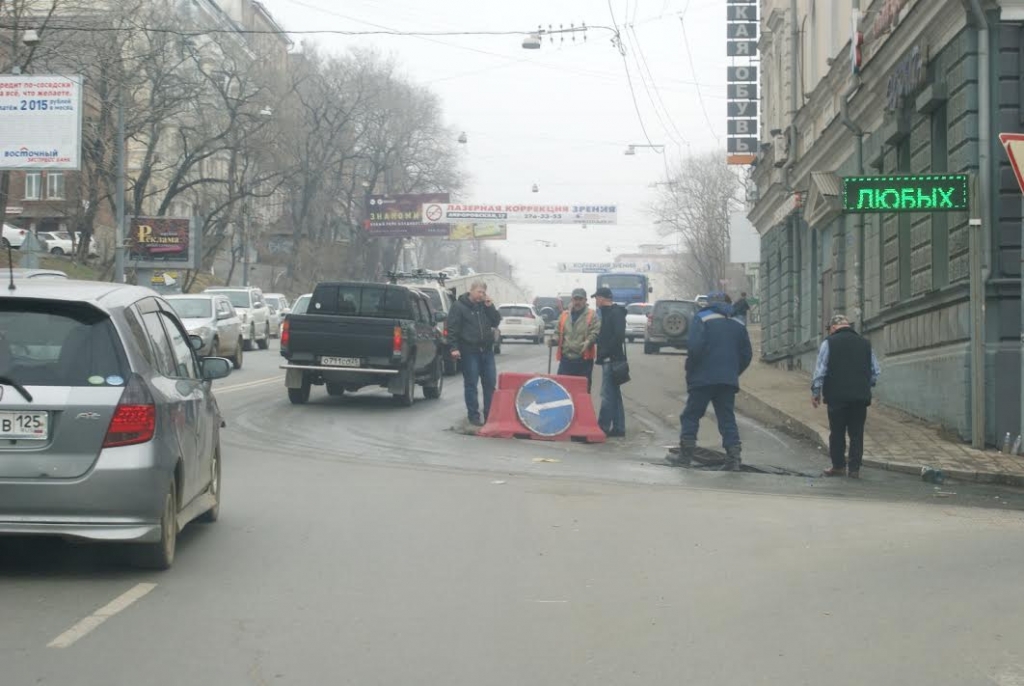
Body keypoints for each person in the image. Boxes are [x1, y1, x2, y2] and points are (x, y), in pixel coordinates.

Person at [672, 291, 753, 471]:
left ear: (709, 303)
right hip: (727, 379)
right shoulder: (738, 322)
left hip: (702, 378)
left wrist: (691, 370)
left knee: (691, 415)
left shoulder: (702, 318)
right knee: (726, 418)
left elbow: (694, 348)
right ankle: (734, 460)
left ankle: (685, 457)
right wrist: (733, 372)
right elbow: (747, 355)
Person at [811, 314, 881, 478]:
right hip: (859, 397)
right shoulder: (865, 343)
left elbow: (820, 370)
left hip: (837, 397)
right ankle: (854, 469)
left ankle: (838, 466)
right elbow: (875, 371)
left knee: (837, 432)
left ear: (834, 328)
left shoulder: (829, 343)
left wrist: (816, 392)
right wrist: (864, 385)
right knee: (857, 433)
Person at [447, 281, 502, 426]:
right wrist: (454, 348)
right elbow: (452, 328)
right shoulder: (459, 307)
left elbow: (496, 321)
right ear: (471, 291)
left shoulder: (485, 306)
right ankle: (474, 416)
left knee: (490, 383)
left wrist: (490, 307)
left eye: (483, 292)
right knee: (471, 384)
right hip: (469, 350)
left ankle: (489, 415)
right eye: (479, 291)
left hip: (487, 351)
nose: (481, 295)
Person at [592, 286, 628, 437]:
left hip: (612, 359)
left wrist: (605, 351)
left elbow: (618, 335)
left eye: (597, 298)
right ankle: (619, 428)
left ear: (603, 298)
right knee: (614, 394)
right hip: (609, 359)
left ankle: (602, 427)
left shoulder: (615, 313)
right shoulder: (606, 313)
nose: (595, 301)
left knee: (607, 395)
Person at [549, 287, 600, 392]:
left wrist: (589, 341)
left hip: (583, 361)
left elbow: (595, 332)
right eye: (575, 299)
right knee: (562, 391)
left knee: (582, 392)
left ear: (585, 300)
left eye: (580, 299)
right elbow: (558, 332)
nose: (578, 302)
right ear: (572, 300)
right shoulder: (564, 315)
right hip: (566, 360)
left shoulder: (592, 315)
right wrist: (554, 340)